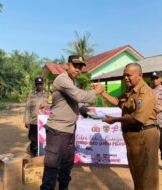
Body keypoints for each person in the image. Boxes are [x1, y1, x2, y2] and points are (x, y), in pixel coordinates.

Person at [40, 55, 103, 190]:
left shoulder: (73, 82)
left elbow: (77, 101)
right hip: (58, 130)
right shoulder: (62, 80)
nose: (78, 69)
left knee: (67, 165)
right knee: (52, 165)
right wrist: (95, 91)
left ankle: (64, 187)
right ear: (67, 65)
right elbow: (79, 95)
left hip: (69, 130)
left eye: (80, 67)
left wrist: (85, 110)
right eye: (75, 66)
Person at [101, 63, 159, 190]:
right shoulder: (130, 90)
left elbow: (138, 118)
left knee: (147, 176)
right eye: (124, 75)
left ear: (140, 75)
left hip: (143, 136)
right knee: (137, 172)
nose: (125, 78)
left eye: (129, 75)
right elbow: (118, 102)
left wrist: (114, 119)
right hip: (133, 137)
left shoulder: (145, 92)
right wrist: (103, 93)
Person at [24, 76, 49, 157]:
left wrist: (47, 104)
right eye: (37, 84)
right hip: (34, 121)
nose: (39, 86)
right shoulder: (31, 95)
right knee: (33, 139)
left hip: (45, 122)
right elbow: (27, 108)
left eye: (41, 84)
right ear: (35, 84)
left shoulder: (48, 95)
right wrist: (26, 120)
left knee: (44, 140)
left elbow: (52, 107)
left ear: (43, 84)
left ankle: (43, 156)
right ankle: (33, 155)